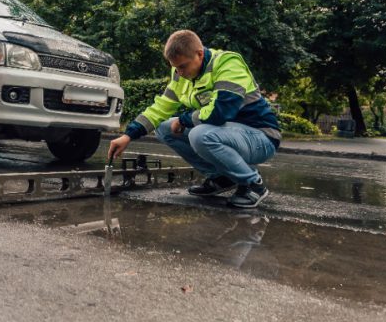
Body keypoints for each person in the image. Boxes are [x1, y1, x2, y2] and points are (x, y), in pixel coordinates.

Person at [108, 30, 281, 209]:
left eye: (182, 66)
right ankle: (221, 178)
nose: (179, 72)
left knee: (200, 134)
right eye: (175, 67)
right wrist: (128, 135)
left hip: (261, 137)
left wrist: (184, 120)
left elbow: (221, 112)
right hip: (226, 132)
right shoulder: (180, 75)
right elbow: (160, 108)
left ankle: (253, 184)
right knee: (164, 128)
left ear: (199, 54)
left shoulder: (228, 63)